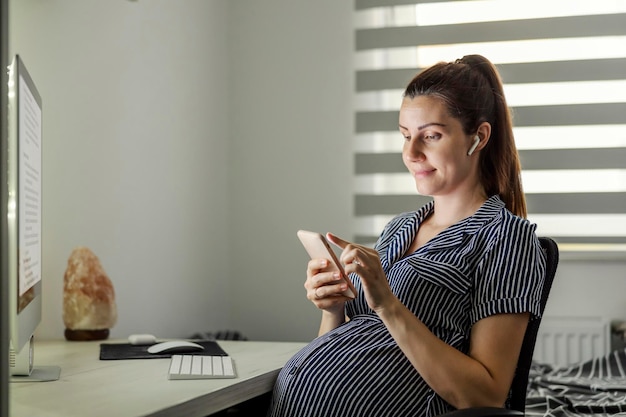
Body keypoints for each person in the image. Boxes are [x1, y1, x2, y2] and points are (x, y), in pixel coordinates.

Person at [267, 55, 546, 417]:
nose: (411, 153)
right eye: (405, 135)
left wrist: (388, 303)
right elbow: (347, 344)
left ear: (478, 138)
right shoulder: (398, 229)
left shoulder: (506, 238)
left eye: (431, 135)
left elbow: (486, 396)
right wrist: (333, 309)